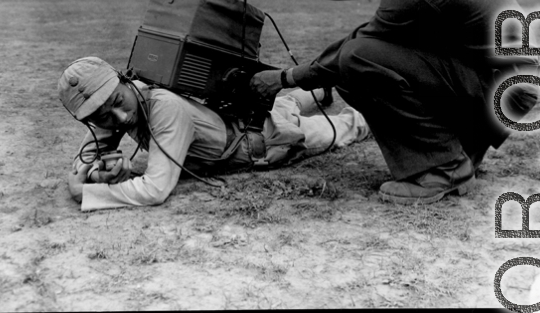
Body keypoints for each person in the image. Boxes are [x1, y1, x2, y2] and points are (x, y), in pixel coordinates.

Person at [246, 0, 540, 205]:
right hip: (503, 80)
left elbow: (352, 51)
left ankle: (443, 168)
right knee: (368, 57)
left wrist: (284, 78)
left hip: (505, 92)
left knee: (357, 60)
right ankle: (463, 150)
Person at [58, 57, 369, 211]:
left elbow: (154, 189)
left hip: (264, 140)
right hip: (240, 118)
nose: (119, 117)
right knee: (285, 103)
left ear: (123, 81)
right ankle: (316, 92)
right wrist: (99, 173)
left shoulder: (163, 107)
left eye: (116, 103)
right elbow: (86, 158)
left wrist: (85, 192)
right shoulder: (111, 105)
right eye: (101, 116)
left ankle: (362, 112)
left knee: (342, 129)